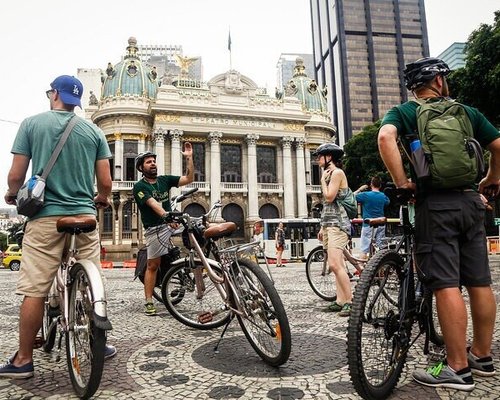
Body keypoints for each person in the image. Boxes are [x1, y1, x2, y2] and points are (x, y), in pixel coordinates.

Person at [378, 57, 498, 391]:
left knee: (445, 283)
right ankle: (482, 357)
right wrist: (491, 177)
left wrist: (403, 182)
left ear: (413, 86)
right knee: (479, 281)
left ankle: (457, 368)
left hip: (435, 205)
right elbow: (499, 146)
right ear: (440, 82)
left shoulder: (405, 112)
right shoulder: (466, 112)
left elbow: (386, 138)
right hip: (471, 203)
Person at [0, 75, 116, 379]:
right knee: (93, 283)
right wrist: (101, 199)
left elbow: (15, 176)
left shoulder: (31, 124)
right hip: (85, 218)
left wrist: (13, 194)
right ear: (76, 101)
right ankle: (98, 343)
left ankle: (24, 359)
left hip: (46, 218)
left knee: (35, 290)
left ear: (54, 95)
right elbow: (105, 183)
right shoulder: (94, 131)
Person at [133, 144, 194, 316]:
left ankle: (198, 270)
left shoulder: (164, 180)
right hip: (155, 228)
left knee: (197, 229)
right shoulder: (139, 187)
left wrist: (188, 158)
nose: (153, 164)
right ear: (141, 168)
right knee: (153, 265)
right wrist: (167, 216)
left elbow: (188, 179)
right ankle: (149, 301)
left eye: (154, 161)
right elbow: (153, 204)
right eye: (148, 162)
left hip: (171, 223)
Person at [313, 143, 353, 317]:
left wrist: (322, 181)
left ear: (329, 157)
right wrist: (322, 226)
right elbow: (327, 207)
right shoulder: (330, 174)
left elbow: (329, 198)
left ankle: (350, 302)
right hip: (330, 223)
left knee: (335, 265)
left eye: (320, 156)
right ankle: (340, 300)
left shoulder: (336, 173)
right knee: (338, 264)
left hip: (339, 223)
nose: (317, 159)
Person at [354, 176, 390, 259]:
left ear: (371, 184)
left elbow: (352, 197)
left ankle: (361, 269)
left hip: (368, 224)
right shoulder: (383, 196)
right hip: (381, 223)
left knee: (364, 249)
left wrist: (360, 189)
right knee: (381, 249)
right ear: (380, 185)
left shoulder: (365, 195)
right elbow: (387, 202)